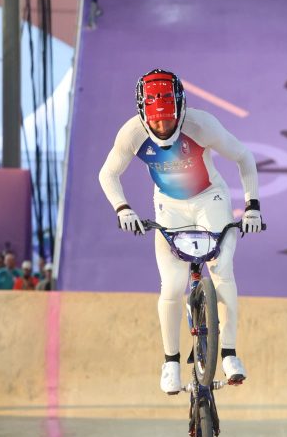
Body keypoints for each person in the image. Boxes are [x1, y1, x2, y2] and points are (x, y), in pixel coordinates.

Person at [98, 68, 263, 394]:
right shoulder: (132, 133)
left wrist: (252, 206)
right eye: (156, 122)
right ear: (143, 116)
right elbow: (108, 174)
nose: (163, 127)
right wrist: (123, 208)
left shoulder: (202, 125)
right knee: (172, 286)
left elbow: (244, 158)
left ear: (181, 109)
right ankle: (170, 361)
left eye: (169, 120)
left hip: (209, 198)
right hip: (169, 206)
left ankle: (229, 353)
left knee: (222, 270)